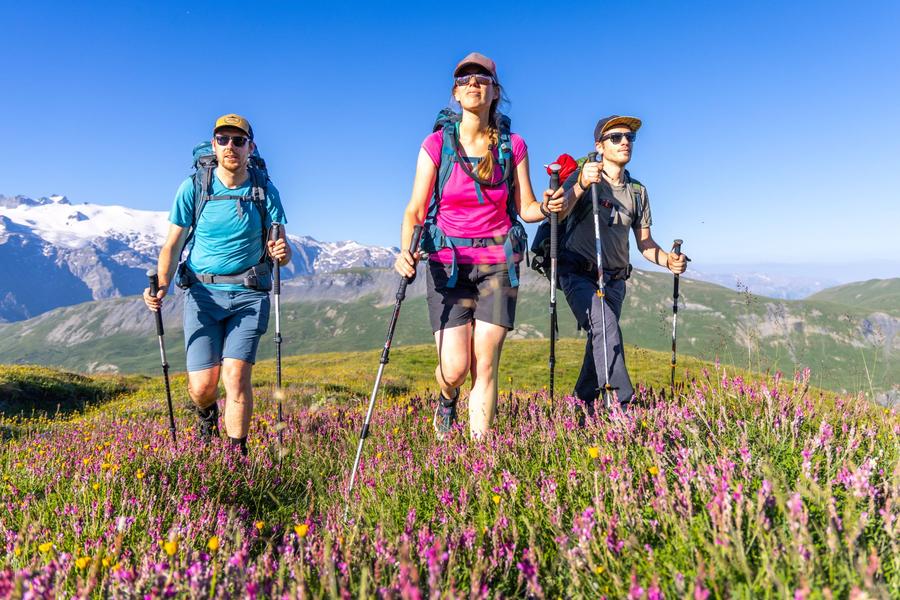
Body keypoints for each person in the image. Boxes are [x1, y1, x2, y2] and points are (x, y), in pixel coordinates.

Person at [394, 53, 567, 440]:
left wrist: (550, 205)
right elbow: (416, 208)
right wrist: (405, 249)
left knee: (485, 362)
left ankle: (480, 457)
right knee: (454, 368)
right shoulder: (436, 144)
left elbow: (525, 208)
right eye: (464, 79)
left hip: (497, 259)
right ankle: (446, 396)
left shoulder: (513, 145)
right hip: (447, 262)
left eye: (482, 78)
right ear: (456, 93)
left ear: (495, 91)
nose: (473, 83)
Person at [143, 113, 291, 455]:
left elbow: (282, 248)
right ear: (214, 144)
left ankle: (236, 458)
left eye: (238, 141)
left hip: (249, 296)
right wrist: (161, 283)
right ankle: (206, 414)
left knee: (236, 378)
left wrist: (281, 253)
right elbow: (173, 244)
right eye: (223, 139)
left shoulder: (265, 190)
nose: (230, 146)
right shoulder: (194, 187)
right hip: (202, 294)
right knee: (202, 387)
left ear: (250, 147)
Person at [555, 115, 688, 415]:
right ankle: (621, 409)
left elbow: (645, 244)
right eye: (616, 137)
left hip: (615, 280)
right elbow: (557, 215)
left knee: (601, 338)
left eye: (629, 137)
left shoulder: (638, 192)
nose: (625, 141)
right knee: (606, 327)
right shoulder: (583, 179)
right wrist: (578, 185)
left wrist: (669, 260)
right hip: (578, 274)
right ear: (599, 146)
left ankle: (581, 406)